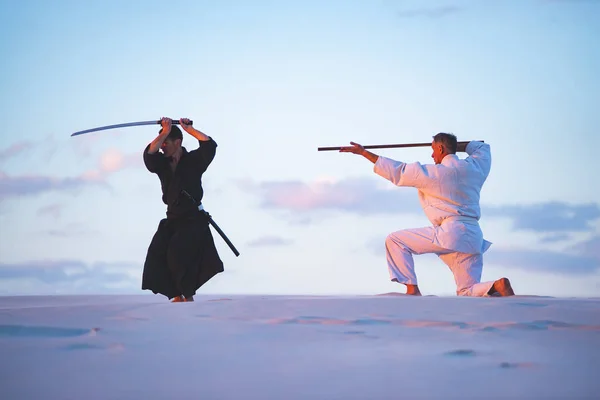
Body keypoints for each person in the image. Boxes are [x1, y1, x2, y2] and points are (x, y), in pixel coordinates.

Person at [339, 133, 514, 297]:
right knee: (466, 291)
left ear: (440, 149)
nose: (432, 155)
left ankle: (412, 289)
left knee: (395, 240)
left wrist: (363, 152)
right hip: (474, 235)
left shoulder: (432, 173)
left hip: (451, 232)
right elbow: (482, 148)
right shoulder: (475, 167)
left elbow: (397, 171)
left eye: (433, 149)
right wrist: (453, 145)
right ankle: (496, 286)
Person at [141, 117, 224, 302]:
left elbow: (209, 145)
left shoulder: (194, 161)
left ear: (178, 142)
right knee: (157, 253)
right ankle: (177, 297)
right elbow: (149, 155)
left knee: (177, 253)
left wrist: (190, 129)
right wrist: (164, 132)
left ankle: (188, 296)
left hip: (193, 219)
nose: (162, 146)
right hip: (172, 218)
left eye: (166, 142)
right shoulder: (162, 164)